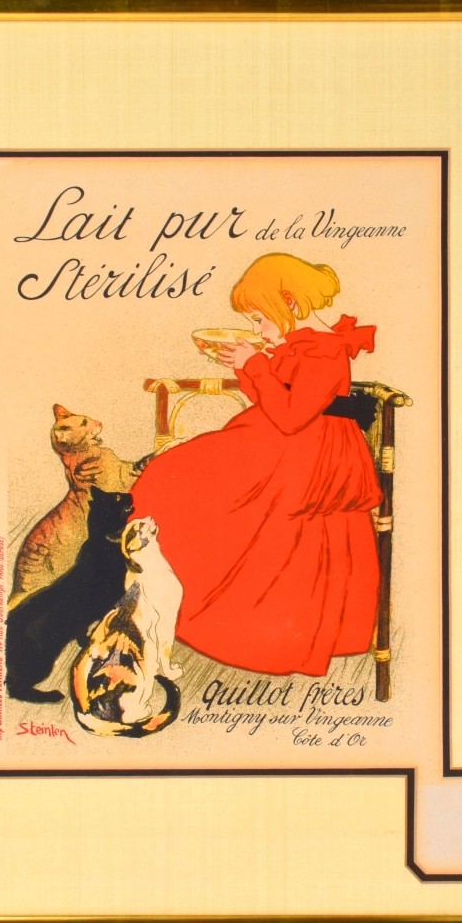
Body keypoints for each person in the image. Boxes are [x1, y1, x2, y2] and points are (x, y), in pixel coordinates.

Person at [130, 252, 381, 677]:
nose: (258, 328)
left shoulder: (324, 351)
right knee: (177, 471)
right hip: (284, 443)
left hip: (306, 455)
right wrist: (247, 368)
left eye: (260, 318)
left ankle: (213, 609)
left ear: (289, 302)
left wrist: (255, 365)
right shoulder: (302, 345)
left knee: (185, 476)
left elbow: (290, 416)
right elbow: (273, 400)